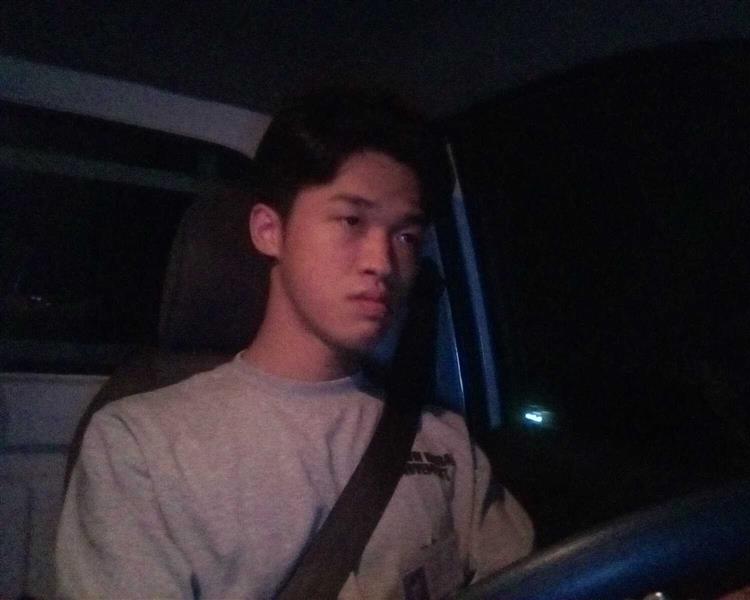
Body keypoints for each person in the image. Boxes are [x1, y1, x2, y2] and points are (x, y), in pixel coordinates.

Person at [56, 91, 534, 599]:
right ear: (270, 231)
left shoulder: (444, 440)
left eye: (406, 237)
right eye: (351, 220)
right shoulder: (143, 443)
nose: (382, 262)